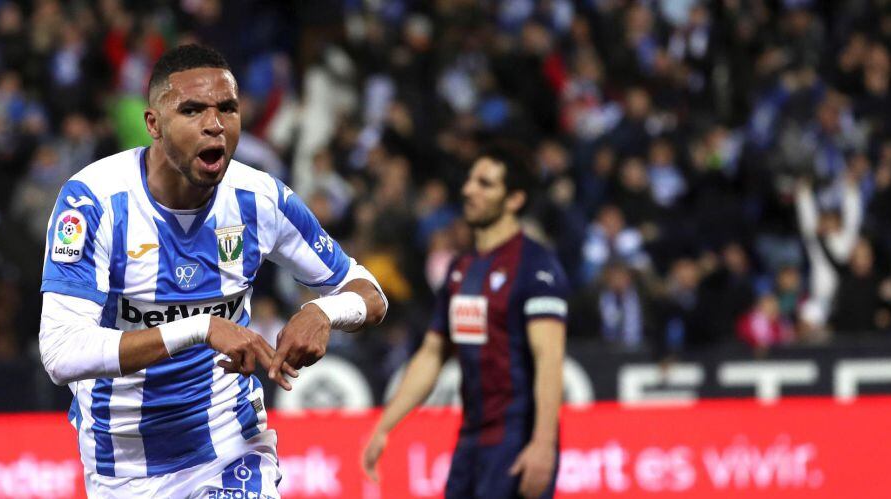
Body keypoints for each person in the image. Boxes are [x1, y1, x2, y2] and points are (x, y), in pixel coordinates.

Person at [37, 44, 387, 498]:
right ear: (154, 125)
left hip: (230, 447)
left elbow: (369, 292)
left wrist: (324, 312)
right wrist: (199, 328)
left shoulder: (259, 198)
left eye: (228, 108)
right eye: (192, 110)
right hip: (120, 464)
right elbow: (61, 353)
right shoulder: (94, 202)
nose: (214, 125)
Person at [361, 145, 568, 498]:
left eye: (485, 184)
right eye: (471, 180)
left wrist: (543, 444)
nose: (468, 190)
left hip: (516, 438)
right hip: (470, 440)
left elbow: (550, 360)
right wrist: (385, 425)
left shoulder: (536, 266)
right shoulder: (461, 270)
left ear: (514, 199)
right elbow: (432, 353)